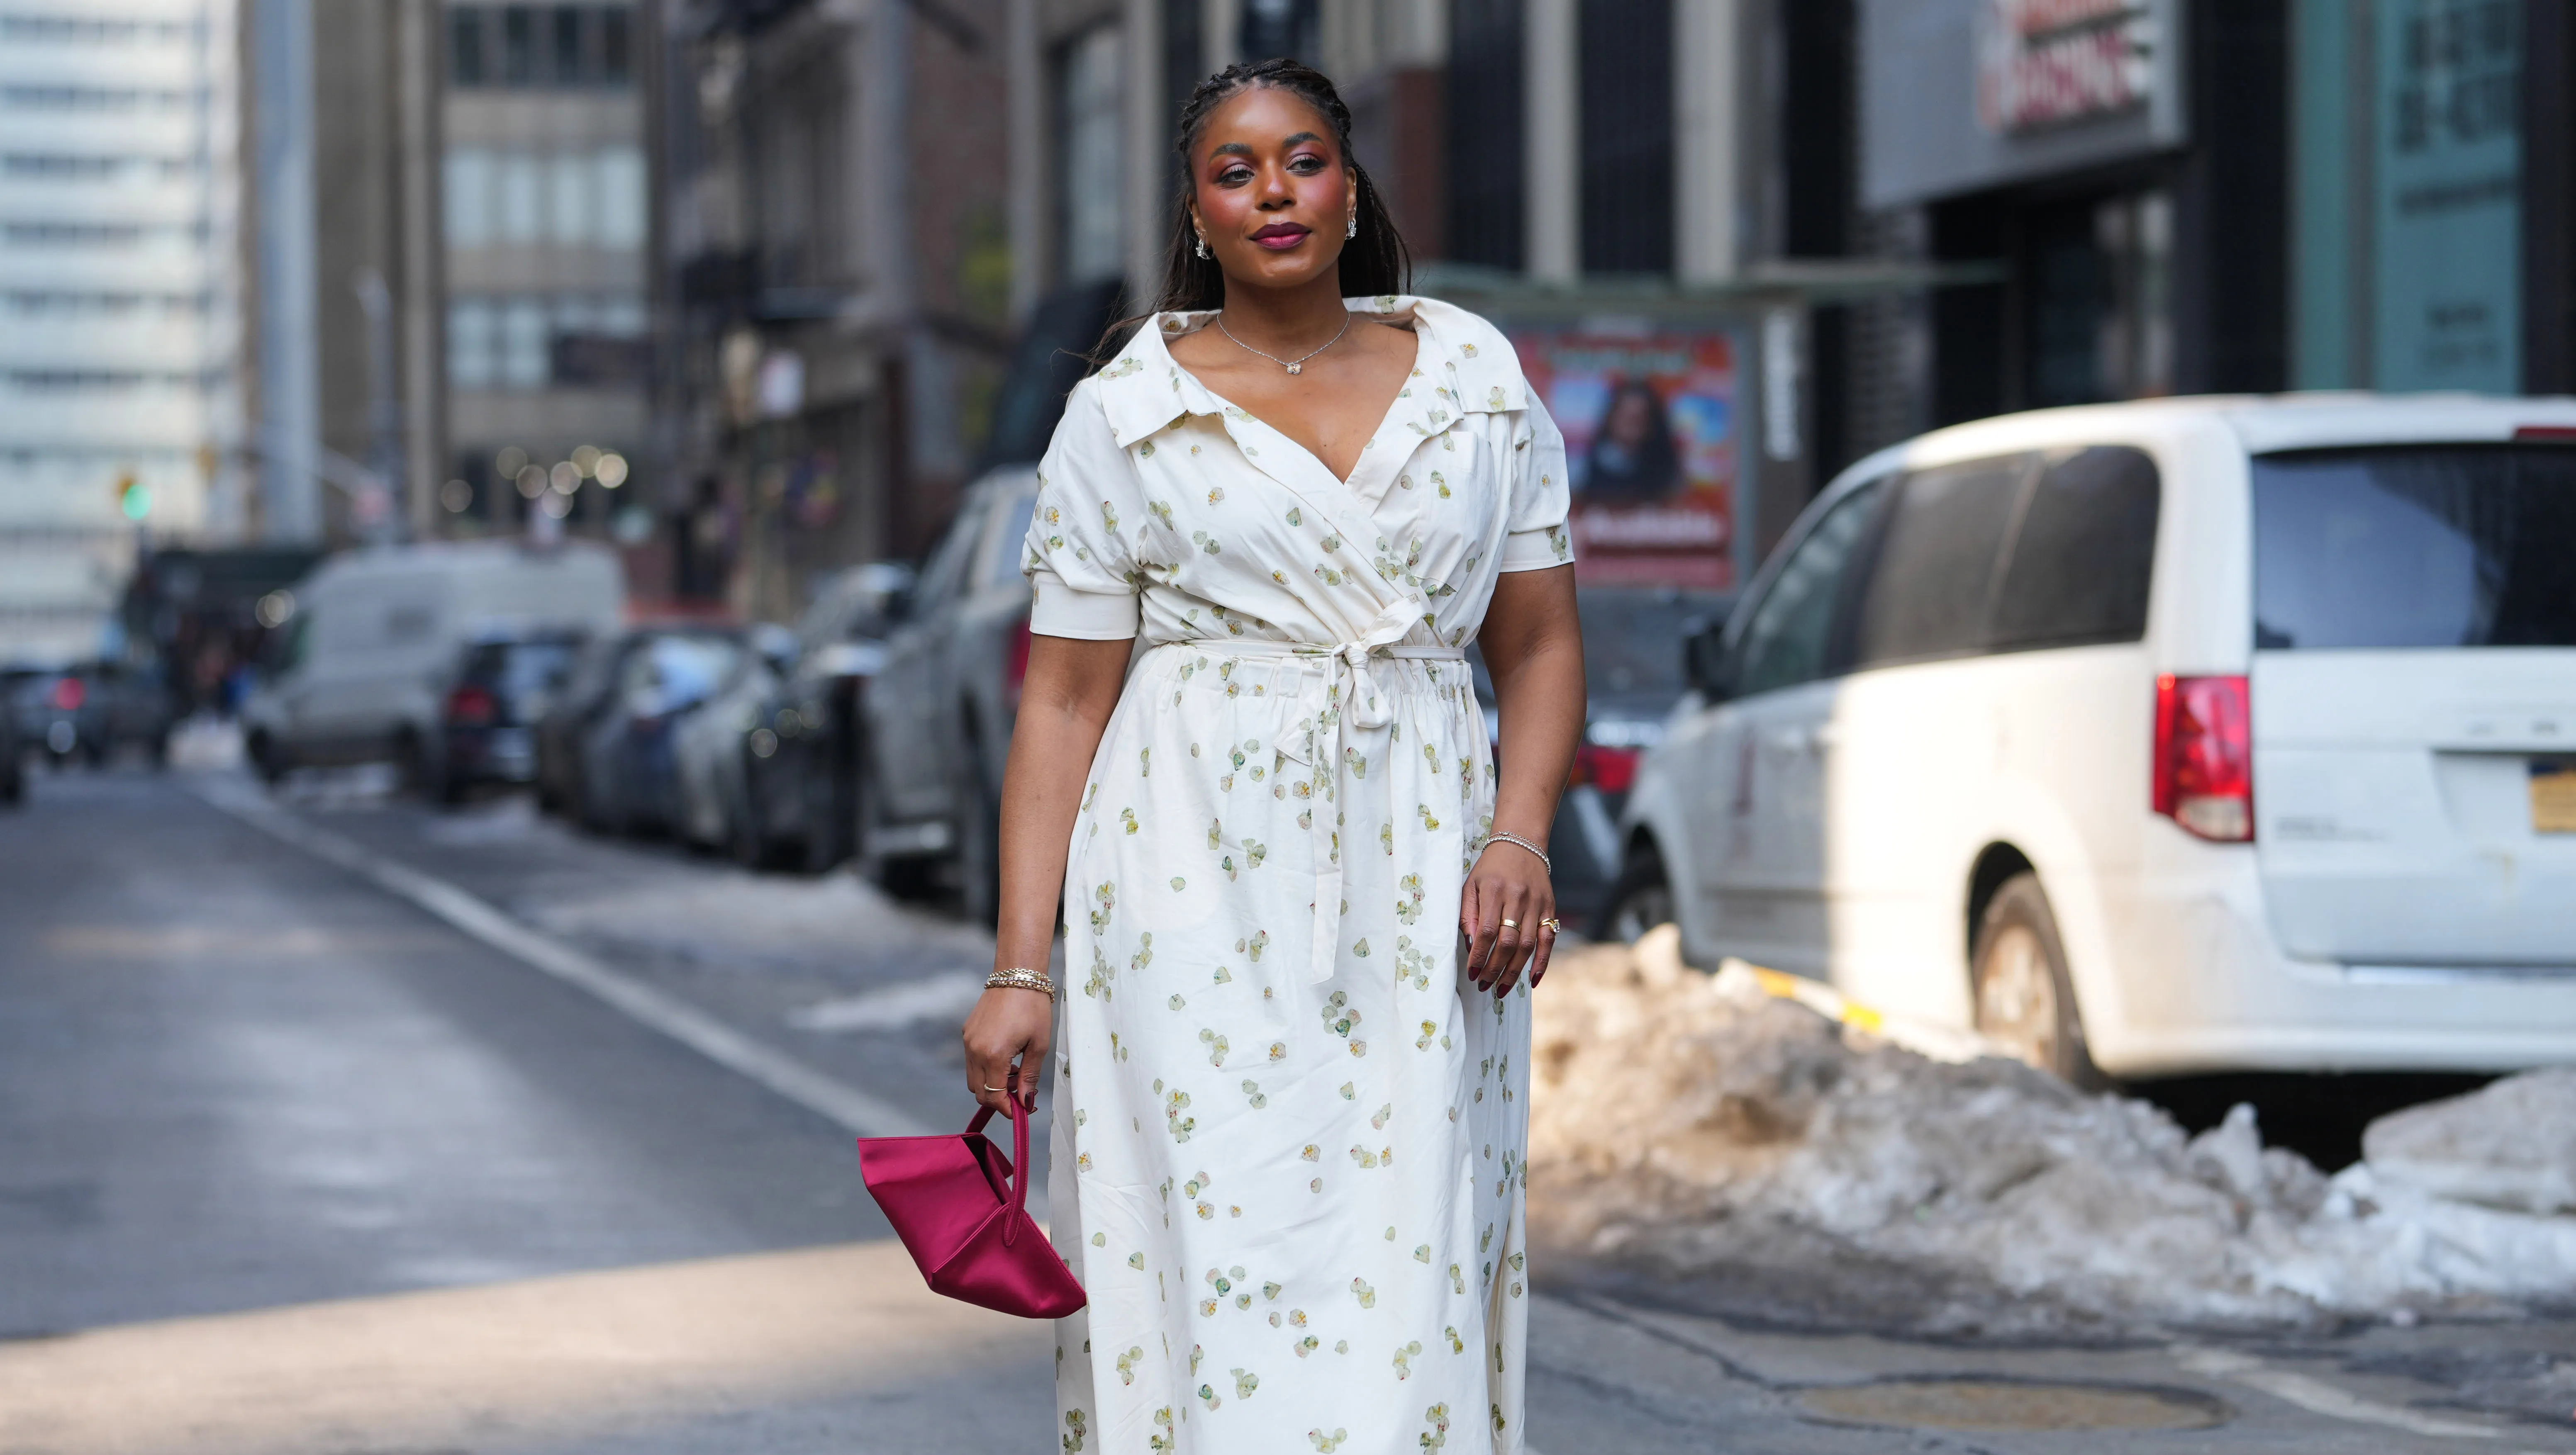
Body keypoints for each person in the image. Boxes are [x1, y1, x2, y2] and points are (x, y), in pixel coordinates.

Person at [961, 58, 1585, 1455]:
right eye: (1232, 171)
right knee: (1210, 1242)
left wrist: (1519, 830)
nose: (1272, 193)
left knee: (1409, 1237)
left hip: (1425, 875)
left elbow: (1537, 644)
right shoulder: (1119, 414)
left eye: (1298, 160)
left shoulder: (1474, 380)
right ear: (1195, 214)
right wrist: (1019, 966)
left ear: (1347, 187)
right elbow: (1058, 706)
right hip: (1184, 878)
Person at [1577, 378, 1680, 506]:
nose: (1631, 425)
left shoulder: (1667, 471)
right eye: (1626, 416)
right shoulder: (1584, 469)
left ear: (1652, 424)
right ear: (1611, 418)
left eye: (1639, 418)